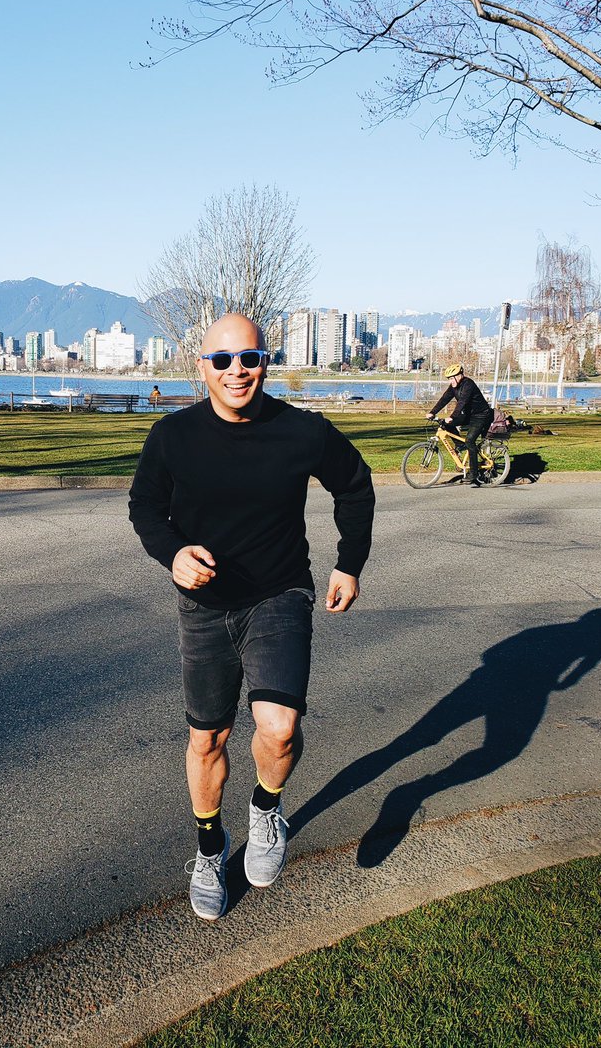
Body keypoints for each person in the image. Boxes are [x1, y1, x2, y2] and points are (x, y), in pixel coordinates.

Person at [128, 313, 375, 921]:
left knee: (280, 727)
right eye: (222, 360)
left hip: (279, 594)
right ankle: (211, 850)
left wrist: (349, 564)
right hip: (205, 605)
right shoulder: (173, 436)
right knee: (208, 737)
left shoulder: (302, 431)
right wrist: (173, 554)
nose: (236, 370)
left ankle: (267, 808)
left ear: (266, 361)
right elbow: (145, 505)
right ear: (202, 367)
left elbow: (356, 484)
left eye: (249, 358)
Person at [425, 363, 493, 488]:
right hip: (468, 415)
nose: (451, 381)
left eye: (452, 378)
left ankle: (474, 473)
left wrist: (453, 416)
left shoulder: (468, 384)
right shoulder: (453, 386)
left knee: (470, 440)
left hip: (481, 415)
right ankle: (460, 446)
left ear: (459, 376)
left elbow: (462, 401)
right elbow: (444, 399)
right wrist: (432, 412)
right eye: (449, 379)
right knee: (444, 424)